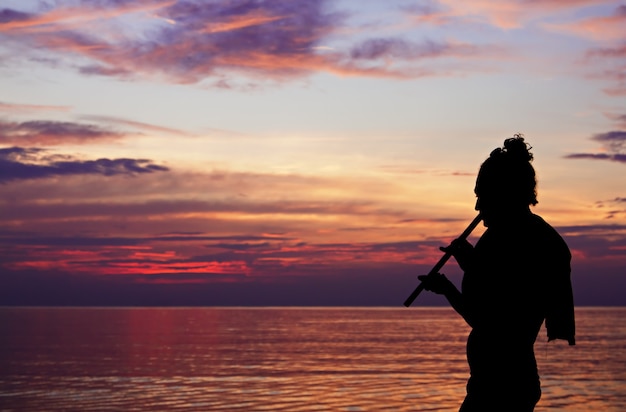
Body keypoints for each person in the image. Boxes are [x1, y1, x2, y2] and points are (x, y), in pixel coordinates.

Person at [418, 135, 575, 412]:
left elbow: (493, 321)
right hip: (507, 383)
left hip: (499, 389)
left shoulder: (510, 238)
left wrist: (448, 290)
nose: (478, 208)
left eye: (482, 196)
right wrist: (471, 263)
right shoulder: (530, 235)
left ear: (503, 193)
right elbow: (502, 287)